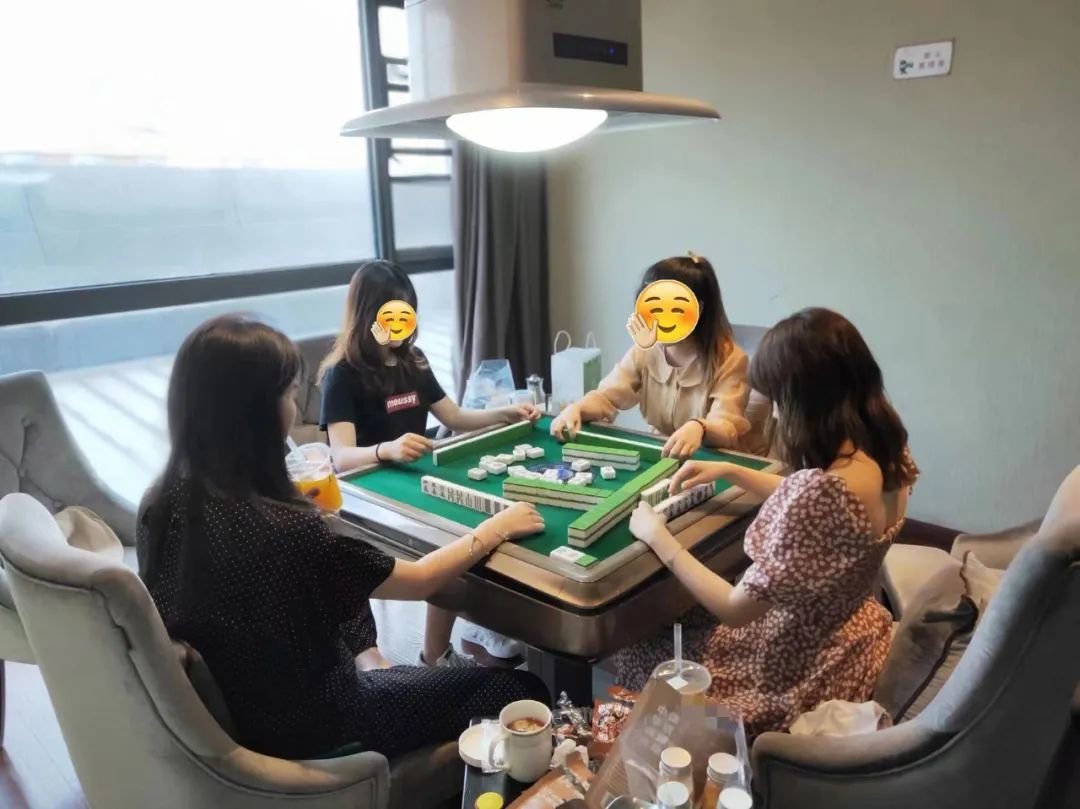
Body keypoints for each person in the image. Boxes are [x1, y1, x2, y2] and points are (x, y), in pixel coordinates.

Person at [138, 315, 549, 761]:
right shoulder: (292, 532)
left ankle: (371, 658)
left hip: (240, 709)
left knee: (344, 575)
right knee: (521, 687)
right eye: (289, 395)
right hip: (323, 723)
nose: (293, 408)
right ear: (258, 415)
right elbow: (422, 580)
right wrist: (495, 528)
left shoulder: (161, 503)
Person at [615, 307, 918, 736]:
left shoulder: (819, 493)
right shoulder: (886, 446)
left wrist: (659, 537)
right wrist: (733, 471)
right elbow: (832, 515)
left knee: (638, 647)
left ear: (806, 401)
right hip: (850, 634)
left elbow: (735, 609)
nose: (774, 415)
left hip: (793, 662)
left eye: (777, 401)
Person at [319, 261, 540, 668]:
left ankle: (463, 635)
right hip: (368, 495)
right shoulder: (342, 375)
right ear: (367, 315)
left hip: (419, 481)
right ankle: (435, 657)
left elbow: (453, 416)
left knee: (476, 535)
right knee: (451, 552)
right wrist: (386, 449)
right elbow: (340, 456)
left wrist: (505, 413)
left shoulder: (414, 361)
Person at [550, 254, 751, 458]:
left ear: (698, 308)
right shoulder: (645, 349)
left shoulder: (731, 360)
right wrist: (577, 409)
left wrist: (700, 427)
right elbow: (607, 397)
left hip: (711, 459)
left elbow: (727, 427)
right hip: (662, 452)